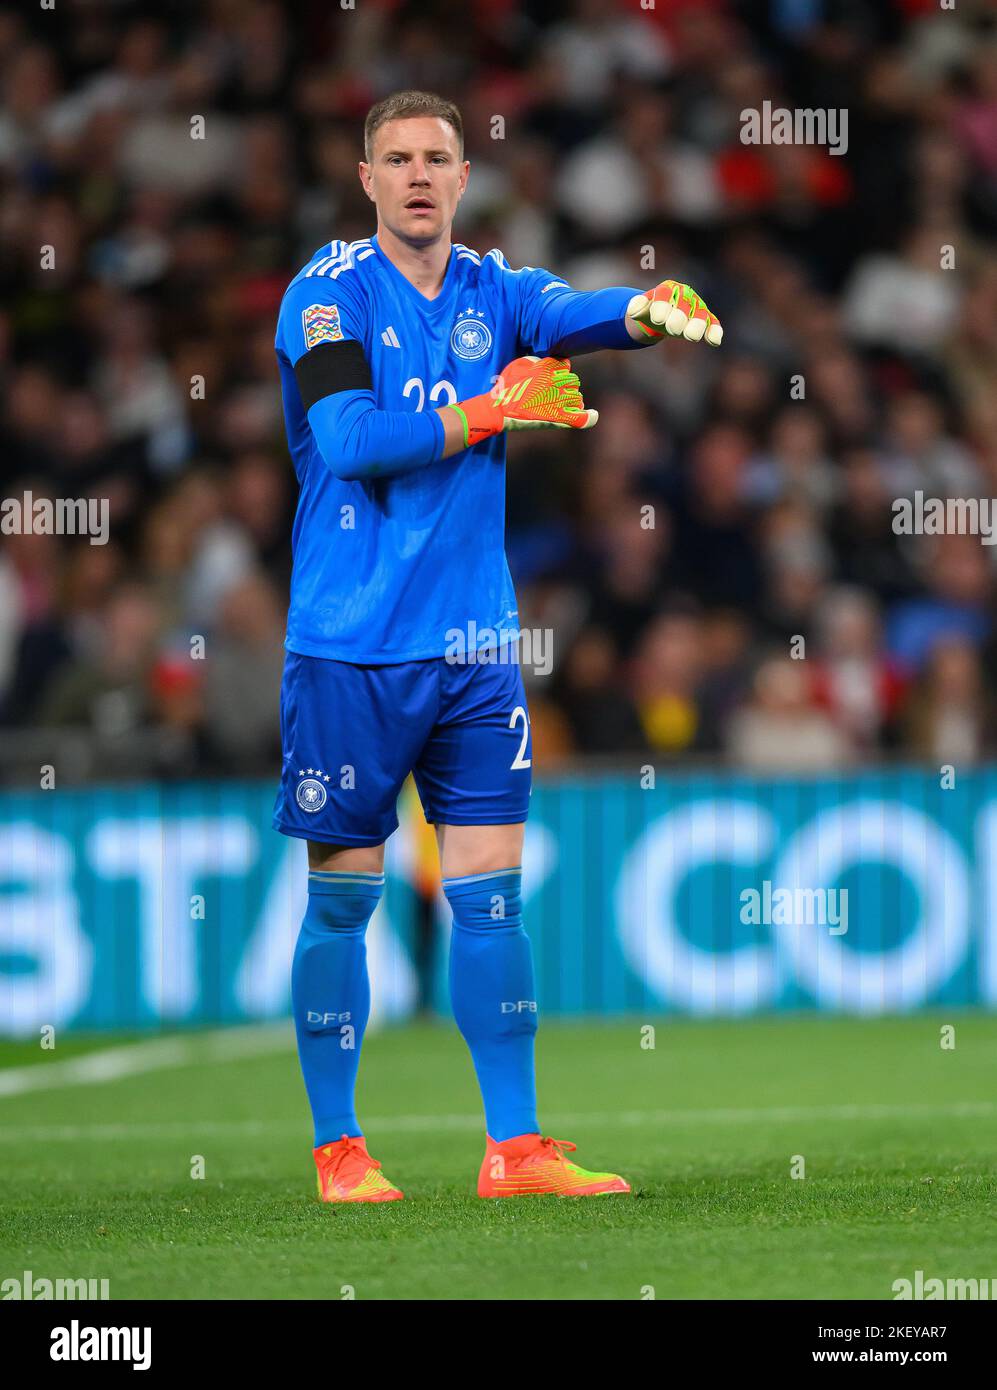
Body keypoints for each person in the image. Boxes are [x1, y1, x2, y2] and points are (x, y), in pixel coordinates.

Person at [271, 88, 722, 1202]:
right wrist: (491, 407)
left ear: (465, 177)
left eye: (437, 157)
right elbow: (350, 438)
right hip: (351, 645)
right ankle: (339, 1149)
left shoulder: (492, 289)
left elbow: (575, 315)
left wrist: (645, 308)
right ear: (365, 179)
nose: (419, 174)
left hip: (474, 644)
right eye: (396, 158)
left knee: (490, 898)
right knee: (344, 898)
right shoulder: (324, 294)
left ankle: (514, 1148)